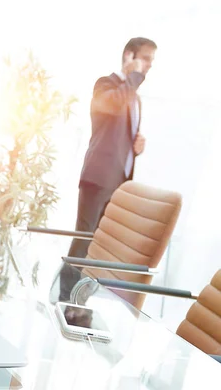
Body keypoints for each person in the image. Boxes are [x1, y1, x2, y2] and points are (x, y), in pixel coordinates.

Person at [60, 37, 157, 300]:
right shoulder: (106, 85)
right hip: (98, 178)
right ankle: (63, 297)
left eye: (151, 61)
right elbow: (113, 106)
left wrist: (137, 144)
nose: (149, 66)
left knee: (102, 246)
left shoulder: (135, 98)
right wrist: (133, 76)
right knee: (84, 238)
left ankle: (81, 301)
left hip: (120, 183)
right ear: (129, 55)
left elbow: (122, 135)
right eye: (145, 58)